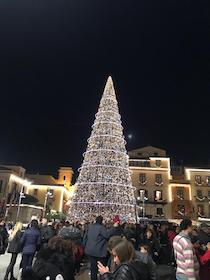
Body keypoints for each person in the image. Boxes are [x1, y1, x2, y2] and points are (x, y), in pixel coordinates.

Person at [83, 215, 118, 280]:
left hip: (90, 250)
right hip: (99, 251)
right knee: (101, 267)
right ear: (101, 221)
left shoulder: (90, 227)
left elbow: (85, 237)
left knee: (93, 268)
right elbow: (107, 235)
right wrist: (114, 227)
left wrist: (84, 246)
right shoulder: (101, 228)